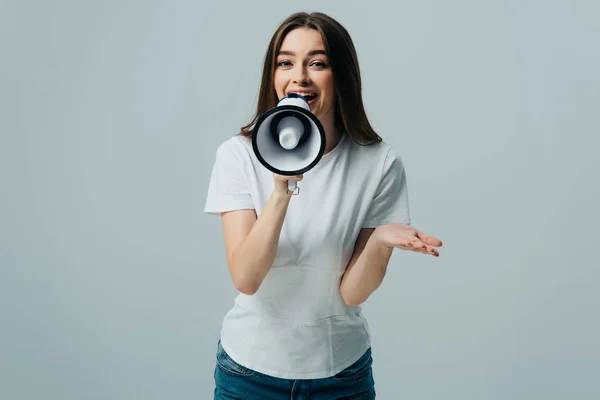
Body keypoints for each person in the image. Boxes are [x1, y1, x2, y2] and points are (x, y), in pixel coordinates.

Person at [204, 11, 443, 399]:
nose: (300, 76)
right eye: (286, 63)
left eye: (317, 63)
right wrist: (281, 186)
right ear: (274, 76)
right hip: (249, 373)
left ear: (341, 76)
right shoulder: (238, 155)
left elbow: (350, 294)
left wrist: (380, 242)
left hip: (341, 376)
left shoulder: (378, 163)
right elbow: (246, 278)